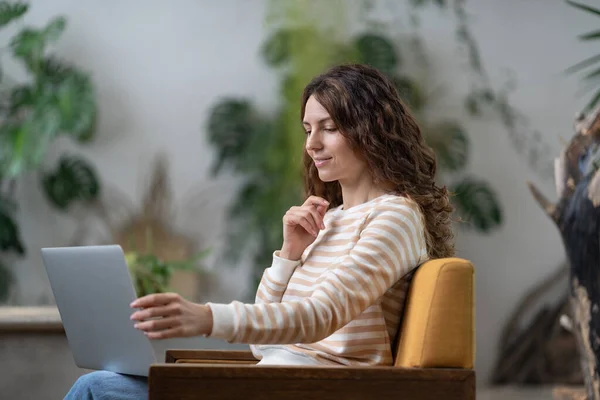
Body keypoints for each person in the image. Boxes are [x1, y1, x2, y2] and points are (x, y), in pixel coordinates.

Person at [64, 63, 455, 399]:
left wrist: (207, 318)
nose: (312, 145)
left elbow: (323, 314)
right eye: (307, 130)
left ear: (373, 130)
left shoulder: (394, 217)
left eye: (329, 128)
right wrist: (287, 256)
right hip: (272, 379)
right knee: (100, 386)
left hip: (311, 389)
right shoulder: (329, 219)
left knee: (97, 389)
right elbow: (261, 345)